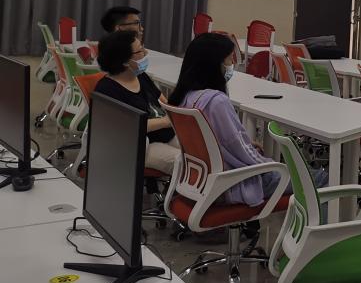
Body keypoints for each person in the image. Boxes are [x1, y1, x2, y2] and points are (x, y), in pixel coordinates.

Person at [168, 32, 288, 206]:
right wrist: (271, 164)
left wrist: (246, 145)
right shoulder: (217, 102)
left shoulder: (186, 97)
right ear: (214, 64)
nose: (233, 64)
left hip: (200, 180)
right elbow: (238, 148)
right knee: (317, 178)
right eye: (230, 59)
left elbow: (216, 140)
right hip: (233, 183)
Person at [94, 30, 179, 174]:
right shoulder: (107, 90)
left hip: (166, 134)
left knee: (200, 154)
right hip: (141, 145)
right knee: (185, 163)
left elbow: (163, 102)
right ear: (124, 61)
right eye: (140, 51)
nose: (145, 53)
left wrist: (177, 114)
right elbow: (127, 127)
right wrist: (166, 121)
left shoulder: (140, 76)